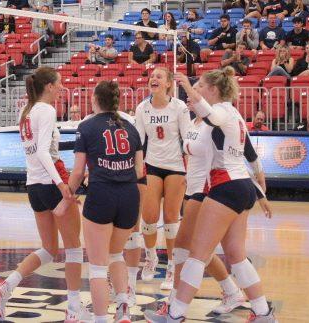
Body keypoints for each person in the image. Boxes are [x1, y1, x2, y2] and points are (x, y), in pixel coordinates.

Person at [145, 66, 276, 323]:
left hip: (224, 186)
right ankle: (262, 312)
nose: (197, 93)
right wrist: (259, 188)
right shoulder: (232, 114)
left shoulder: (221, 113)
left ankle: (175, 313)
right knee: (236, 255)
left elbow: (214, 118)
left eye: (202, 86)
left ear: (213, 90)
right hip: (238, 187)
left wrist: (187, 87)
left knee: (198, 254)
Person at [0, 67, 91, 322]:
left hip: (33, 185)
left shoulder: (27, 112)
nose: (62, 87)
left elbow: (37, 152)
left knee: (48, 249)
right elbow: (44, 153)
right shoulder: (46, 110)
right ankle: (73, 309)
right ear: (48, 87)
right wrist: (62, 186)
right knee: (74, 249)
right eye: (59, 84)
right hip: (50, 183)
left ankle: (6, 287)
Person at [57, 80, 143, 323]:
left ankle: (101, 319)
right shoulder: (131, 128)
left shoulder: (86, 127)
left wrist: (66, 200)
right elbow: (139, 171)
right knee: (116, 255)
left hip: (102, 195)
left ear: (94, 99)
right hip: (129, 196)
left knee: (97, 266)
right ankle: (124, 308)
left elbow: (76, 172)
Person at [135, 67, 191, 290]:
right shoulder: (142, 108)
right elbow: (138, 141)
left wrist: (193, 168)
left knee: (170, 218)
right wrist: (138, 167)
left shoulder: (179, 107)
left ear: (169, 83)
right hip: (153, 165)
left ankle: (172, 266)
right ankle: (150, 258)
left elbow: (187, 139)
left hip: (176, 166)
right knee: (148, 218)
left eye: (159, 76)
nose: (153, 79)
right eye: (152, 76)